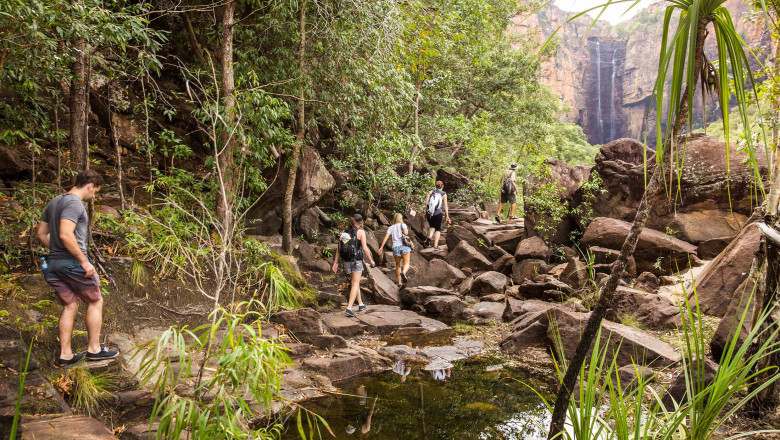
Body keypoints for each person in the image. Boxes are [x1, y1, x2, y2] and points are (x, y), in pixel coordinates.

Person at [37, 170, 119, 365]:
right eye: (95, 191)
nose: (94, 196)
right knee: (95, 301)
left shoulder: (54, 202)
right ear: (90, 186)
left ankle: (65, 354)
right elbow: (65, 234)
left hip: (53, 264)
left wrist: (57, 251)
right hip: (73, 264)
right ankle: (94, 349)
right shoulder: (74, 203)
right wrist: (83, 261)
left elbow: (41, 233)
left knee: (70, 305)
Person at [332, 214, 376, 317]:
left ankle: (360, 304)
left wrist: (335, 263)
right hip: (357, 261)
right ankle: (349, 307)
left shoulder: (344, 232)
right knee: (355, 284)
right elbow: (364, 248)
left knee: (354, 283)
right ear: (360, 222)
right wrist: (371, 261)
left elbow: (339, 249)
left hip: (347, 261)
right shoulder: (361, 232)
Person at [379, 213, 411, 286]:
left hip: (395, 247)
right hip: (404, 246)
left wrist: (381, 247)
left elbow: (386, 237)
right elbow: (406, 233)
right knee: (406, 263)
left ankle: (399, 282)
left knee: (398, 265)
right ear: (400, 218)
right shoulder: (403, 225)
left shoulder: (391, 227)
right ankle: (403, 272)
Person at [423, 181, 450, 250]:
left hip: (429, 213)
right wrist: (447, 216)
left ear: (435, 186)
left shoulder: (431, 192)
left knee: (432, 226)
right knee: (438, 229)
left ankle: (430, 236)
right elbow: (445, 206)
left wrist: (425, 213)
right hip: (438, 213)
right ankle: (436, 246)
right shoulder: (444, 194)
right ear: (442, 186)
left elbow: (426, 203)